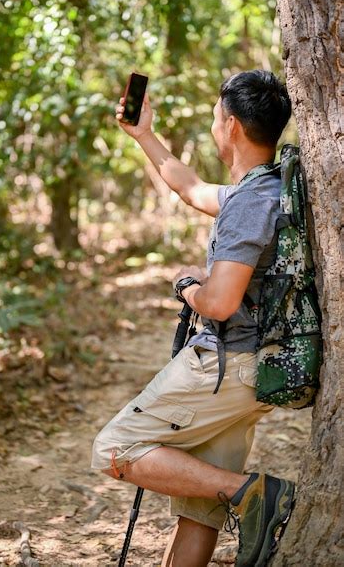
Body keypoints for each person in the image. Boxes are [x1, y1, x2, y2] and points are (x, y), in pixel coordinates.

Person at [91, 70, 295, 567]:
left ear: (232, 127)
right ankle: (238, 494)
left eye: (213, 116)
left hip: (227, 364)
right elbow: (192, 188)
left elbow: (221, 303)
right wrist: (143, 135)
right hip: (257, 366)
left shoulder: (250, 202)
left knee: (115, 447)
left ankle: (254, 494)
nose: (212, 125)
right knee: (201, 507)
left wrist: (188, 284)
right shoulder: (267, 187)